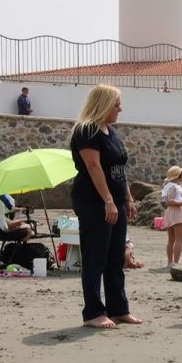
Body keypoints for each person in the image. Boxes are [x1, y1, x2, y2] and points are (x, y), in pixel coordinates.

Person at [69, 84, 141, 329]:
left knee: (115, 258)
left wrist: (128, 199)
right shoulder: (86, 130)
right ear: (103, 104)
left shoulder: (111, 131)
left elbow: (119, 170)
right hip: (93, 202)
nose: (120, 108)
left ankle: (119, 308)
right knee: (95, 257)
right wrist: (108, 201)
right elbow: (93, 167)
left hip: (116, 202)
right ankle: (93, 312)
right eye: (116, 104)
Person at [161, 165, 182, 268]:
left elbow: (166, 201)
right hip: (176, 213)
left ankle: (170, 262)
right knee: (179, 239)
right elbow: (171, 201)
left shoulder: (166, 186)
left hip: (168, 213)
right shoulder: (174, 187)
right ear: (178, 176)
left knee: (171, 239)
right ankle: (176, 263)